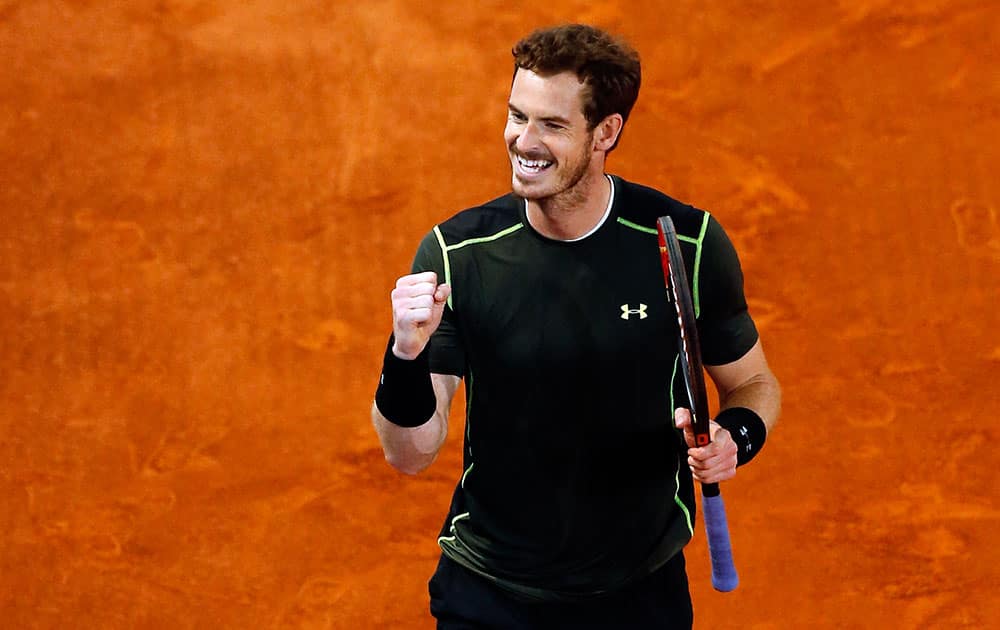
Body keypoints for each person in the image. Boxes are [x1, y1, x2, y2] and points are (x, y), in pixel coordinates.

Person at [371, 23, 781, 629]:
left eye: (552, 125)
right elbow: (411, 452)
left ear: (605, 132)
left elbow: (755, 385)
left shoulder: (686, 243)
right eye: (517, 116)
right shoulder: (460, 254)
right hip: (490, 594)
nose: (522, 141)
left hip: (638, 594)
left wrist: (734, 438)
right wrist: (404, 355)